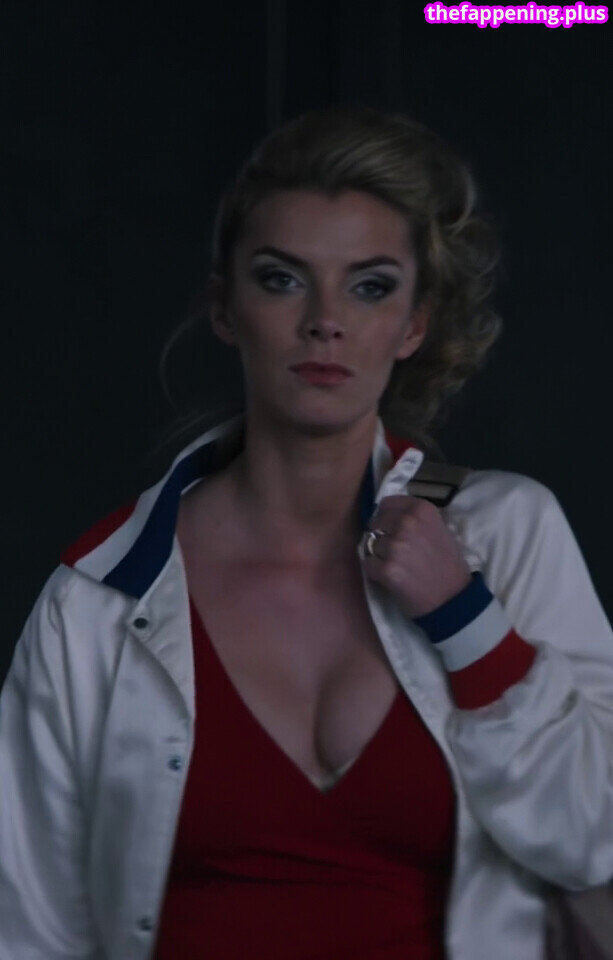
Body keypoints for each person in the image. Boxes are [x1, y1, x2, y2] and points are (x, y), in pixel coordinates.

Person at [1, 105, 612, 960]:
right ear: (225, 307)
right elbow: (30, 929)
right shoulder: (97, 596)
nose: (325, 319)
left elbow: (591, 841)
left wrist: (463, 617)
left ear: (414, 323)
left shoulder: (506, 534)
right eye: (282, 279)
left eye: (369, 286)